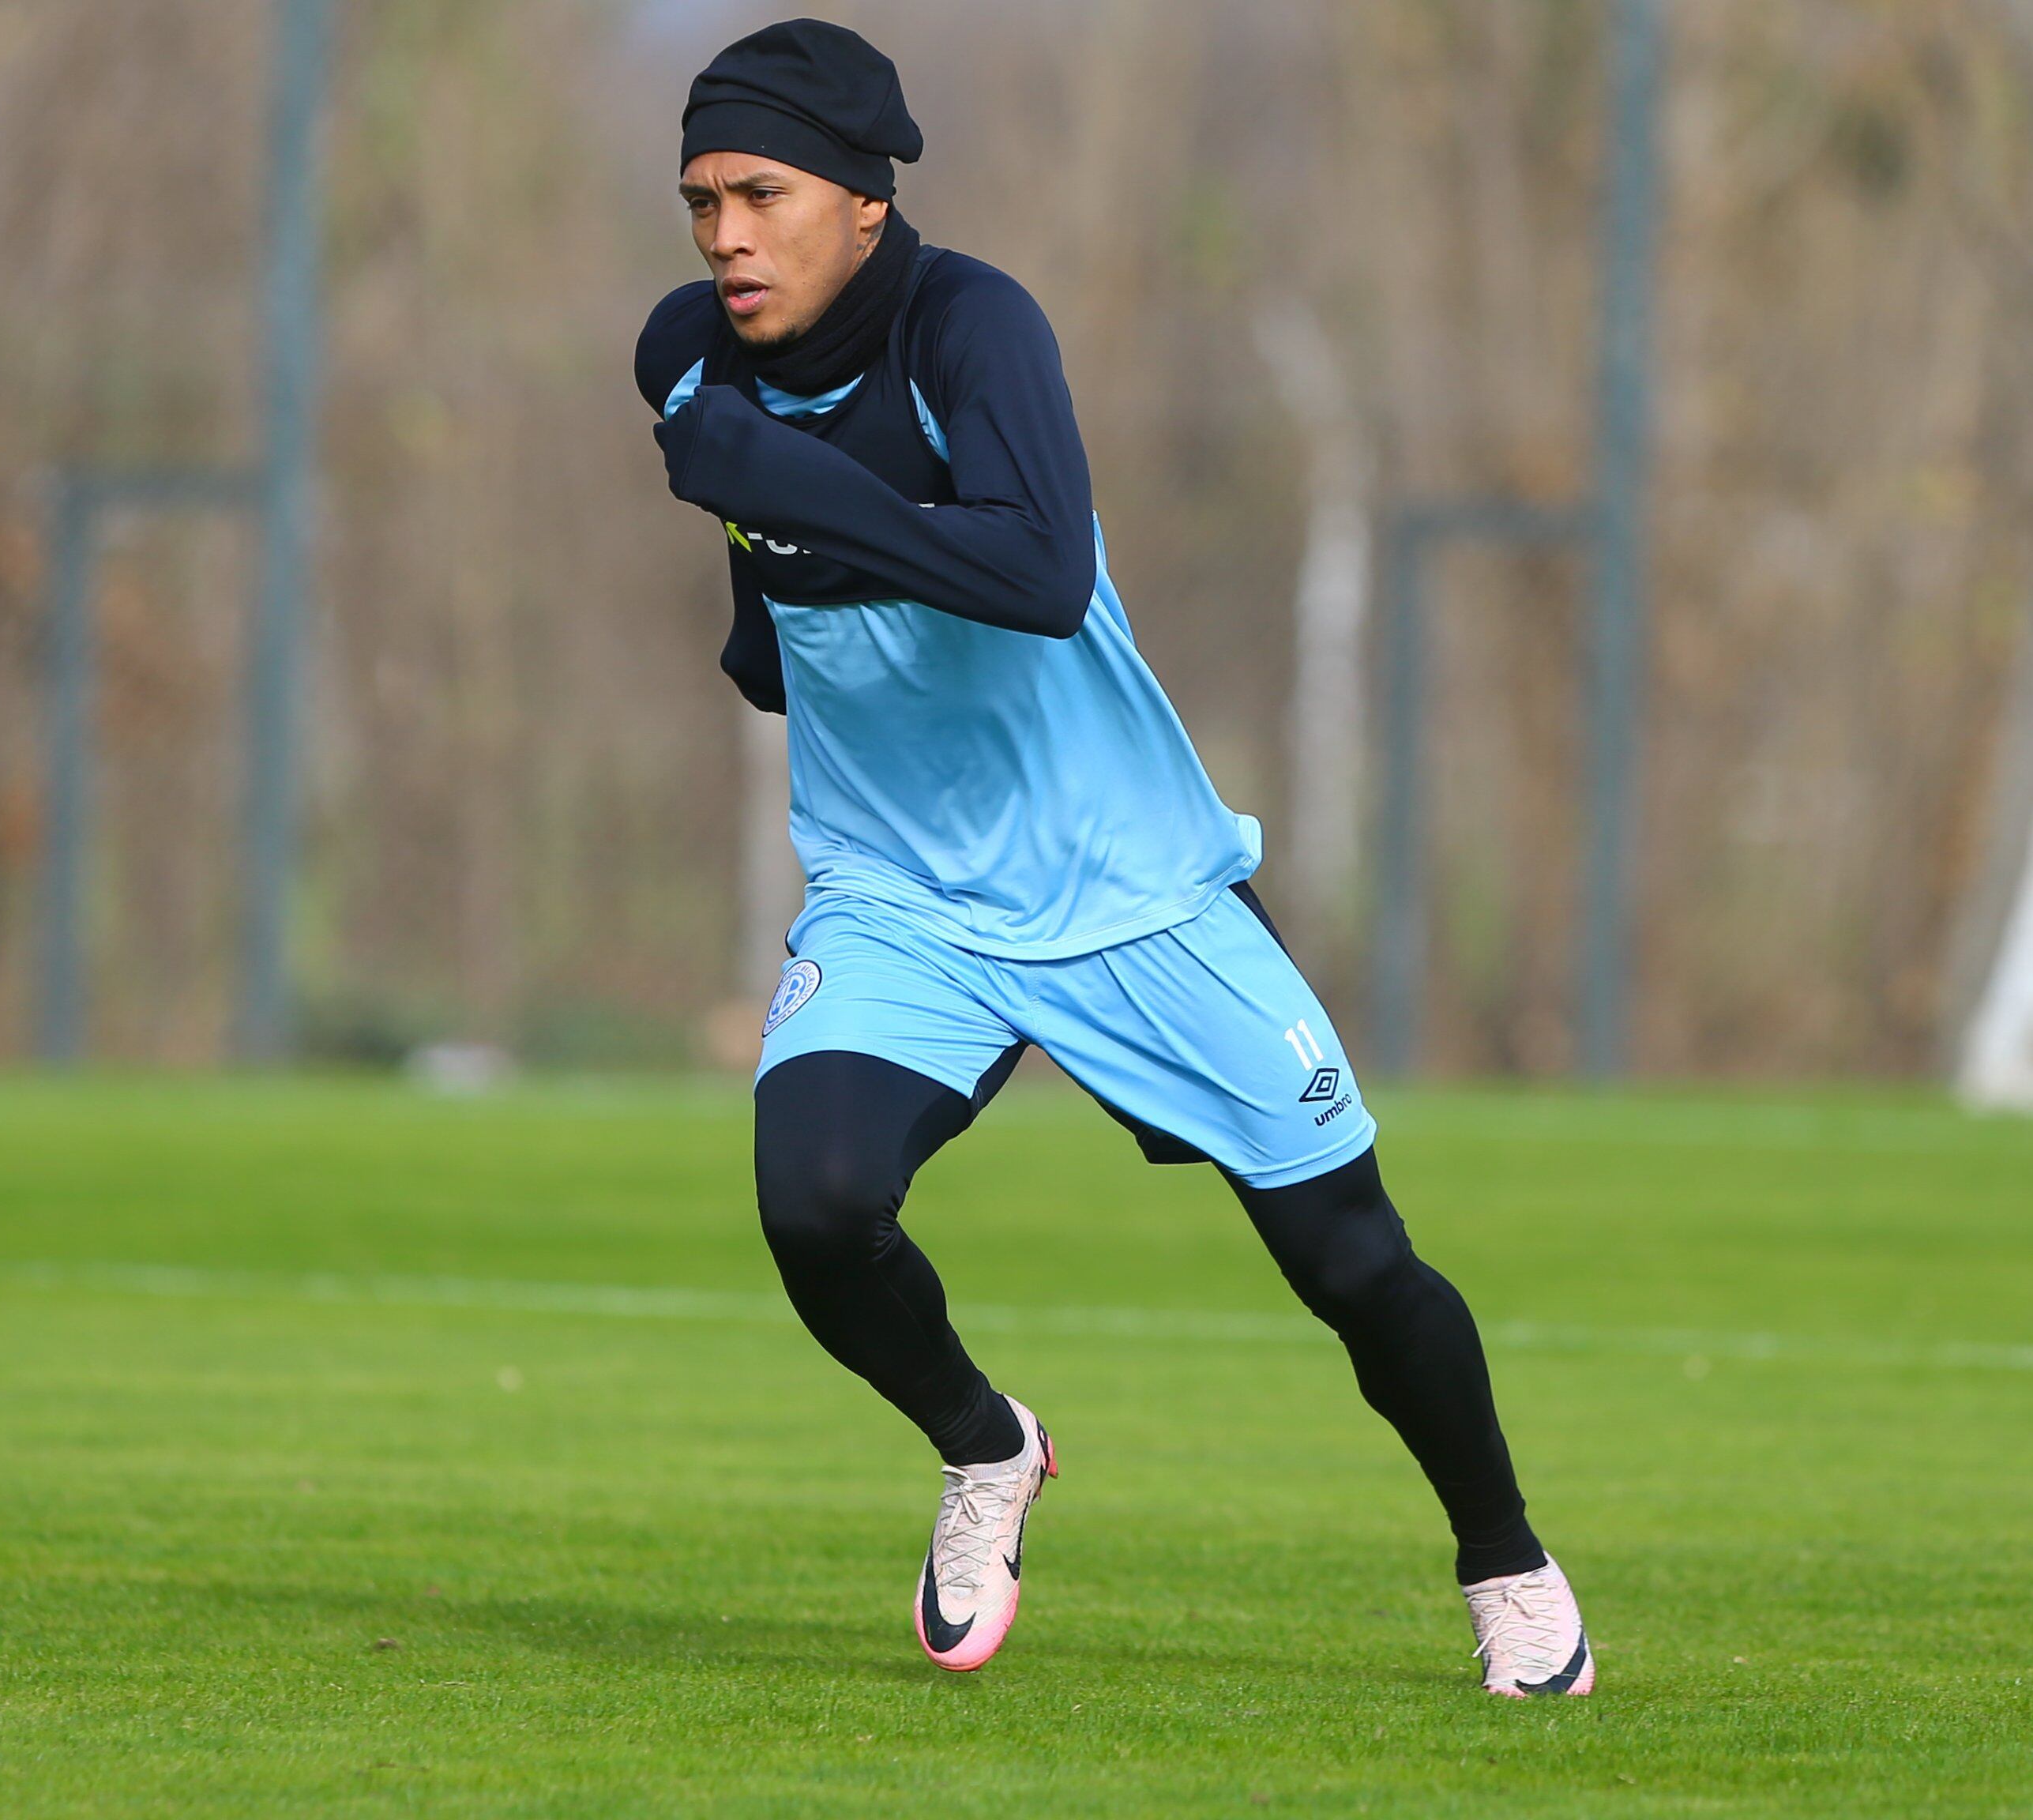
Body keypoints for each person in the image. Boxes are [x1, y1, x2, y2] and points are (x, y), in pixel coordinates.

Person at [634, 19, 1591, 1694]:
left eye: (761, 195)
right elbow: (769, 595)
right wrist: (758, 588)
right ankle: (983, 1444)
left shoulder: (969, 324)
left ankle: (1504, 1560)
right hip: (899, 897)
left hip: (1126, 887)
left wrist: (762, 475)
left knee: (1352, 1263)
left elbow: (1036, 573)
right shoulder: (685, 355)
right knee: (814, 1201)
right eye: (701, 199)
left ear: (862, 199)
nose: (723, 235)